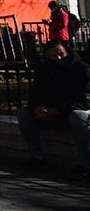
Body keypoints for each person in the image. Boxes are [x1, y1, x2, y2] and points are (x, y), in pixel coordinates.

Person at [16, 39, 90, 179]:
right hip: (52, 111)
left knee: (78, 116)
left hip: (75, 111)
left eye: (61, 54)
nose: (58, 58)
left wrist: (58, 110)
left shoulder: (82, 69)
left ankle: (85, 163)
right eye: (53, 56)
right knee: (24, 114)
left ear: (67, 52)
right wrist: (37, 108)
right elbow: (36, 93)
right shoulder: (45, 70)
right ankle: (37, 157)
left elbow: (84, 99)